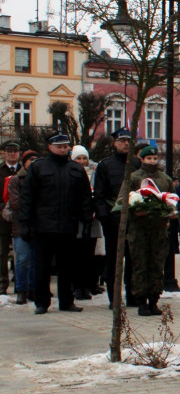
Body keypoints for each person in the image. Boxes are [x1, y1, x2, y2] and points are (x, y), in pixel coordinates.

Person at [19, 132, 93, 314]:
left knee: (67, 267)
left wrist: (86, 221)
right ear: (50, 147)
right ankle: (42, 302)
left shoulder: (75, 169)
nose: (62, 149)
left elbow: (84, 197)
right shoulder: (39, 167)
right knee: (42, 267)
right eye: (59, 146)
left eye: (65, 146)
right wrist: (25, 223)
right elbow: (27, 197)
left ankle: (67, 301)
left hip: (68, 226)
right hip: (43, 226)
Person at [93, 128, 140, 306]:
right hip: (113, 219)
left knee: (132, 259)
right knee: (114, 260)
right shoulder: (105, 165)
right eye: (122, 140)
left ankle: (132, 295)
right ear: (115, 143)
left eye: (129, 140)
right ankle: (114, 298)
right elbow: (99, 195)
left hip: (133, 219)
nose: (126, 143)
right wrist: (105, 217)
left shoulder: (136, 164)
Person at [127, 146, 174, 316]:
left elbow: (172, 199)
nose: (152, 162)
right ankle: (141, 301)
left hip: (158, 229)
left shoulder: (164, 179)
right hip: (138, 230)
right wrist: (134, 210)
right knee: (140, 265)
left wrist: (170, 212)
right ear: (142, 159)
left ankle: (154, 299)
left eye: (155, 158)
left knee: (156, 265)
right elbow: (123, 200)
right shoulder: (134, 178)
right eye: (149, 159)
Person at [70, 146, 103, 300]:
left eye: (84, 158)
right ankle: (77, 286)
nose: (82, 161)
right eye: (78, 158)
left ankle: (89, 285)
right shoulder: (70, 173)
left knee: (91, 254)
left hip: (92, 219)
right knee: (76, 255)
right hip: (76, 219)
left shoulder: (95, 173)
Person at [5, 150, 37, 304]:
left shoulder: (41, 178)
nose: (33, 162)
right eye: (31, 159)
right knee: (22, 259)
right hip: (21, 225)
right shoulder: (16, 180)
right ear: (24, 162)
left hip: (38, 224)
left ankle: (33, 289)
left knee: (35, 259)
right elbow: (16, 203)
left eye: (36, 159)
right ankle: (22, 289)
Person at [0, 140, 21, 295]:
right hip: (2, 217)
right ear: (4, 153)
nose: (12, 153)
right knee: (2, 251)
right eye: (9, 151)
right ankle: (2, 283)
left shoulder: (24, 170)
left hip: (20, 217)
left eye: (15, 151)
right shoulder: (0, 170)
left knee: (20, 252)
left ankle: (20, 284)